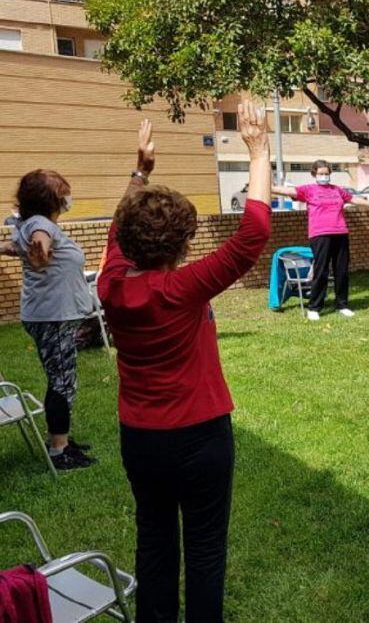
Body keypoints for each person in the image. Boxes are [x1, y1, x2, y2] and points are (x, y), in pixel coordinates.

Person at [98, 103, 272, 622]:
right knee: (204, 550)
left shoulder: (111, 284)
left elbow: (115, 232)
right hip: (200, 439)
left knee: (153, 541)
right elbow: (253, 234)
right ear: (183, 244)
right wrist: (259, 149)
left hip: (141, 438)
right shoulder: (183, 287)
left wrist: (139, 174)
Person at [0, 170, 95, 470]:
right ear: (49, 199)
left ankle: (61, 438)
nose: (68, 197)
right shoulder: (40, 224)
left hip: (49, 316)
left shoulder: (30, 223)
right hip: (51, 318)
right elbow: (39, 245)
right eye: (63, 191)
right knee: (62, 382)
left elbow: (18, 246)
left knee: (63, 380)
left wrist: (22, 252)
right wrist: (40, 256)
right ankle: (58, 450)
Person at [272, 160, 369, 321]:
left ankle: (342, 304)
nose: (324, 176)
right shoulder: (308, 190)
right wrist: (267, 187)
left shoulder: (337, 190)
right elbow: (288, 191)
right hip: (320, 235)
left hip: (340, 233)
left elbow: (353, 199)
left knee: (341, 271)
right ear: (314, 174)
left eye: (326, 173)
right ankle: (314, 307)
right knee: (321, 271)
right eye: (321, 173)